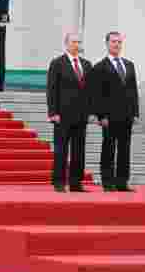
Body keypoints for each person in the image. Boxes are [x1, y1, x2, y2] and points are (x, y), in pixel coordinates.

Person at [89, 31, 139, 192]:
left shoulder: (129, 65)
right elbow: (96, 94)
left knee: (125, 149)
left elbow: (133, 90)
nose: (116, 44)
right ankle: (108, 181)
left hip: (127, 115)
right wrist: (101, 115)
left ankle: (122, 182)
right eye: (113, 42)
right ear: (107, 44)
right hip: (109, 117)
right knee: (108, 149)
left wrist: (135, 113)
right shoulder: (100, 67)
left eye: (119, 42)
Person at [46, 32, 93, 192]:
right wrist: (53, 112)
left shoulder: (86, 65)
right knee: (61, 150)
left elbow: (90, 90)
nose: (76, 45)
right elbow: (52, 89)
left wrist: (91, 111)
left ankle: (75, 183)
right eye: (73, 42)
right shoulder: (57, 63)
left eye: (78, 42)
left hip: (81, 115)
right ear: (66, 44)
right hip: (62, 115)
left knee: (79, 150)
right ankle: (59, 182)